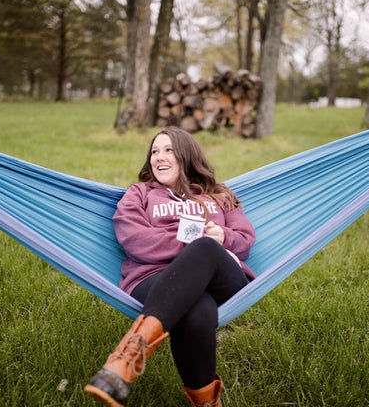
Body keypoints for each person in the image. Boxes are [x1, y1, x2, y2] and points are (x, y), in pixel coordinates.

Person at [85, 126, 256, 407]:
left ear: (187, 156)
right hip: (154, 280)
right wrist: (193, 243)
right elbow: (135, 240)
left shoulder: (219, 196)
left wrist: (223, 238)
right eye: (154, 151)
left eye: (168, 150)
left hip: (222, 280)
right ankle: (207, 402)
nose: (159, 158)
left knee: (205, 247)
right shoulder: (139, 194)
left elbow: (246, 240)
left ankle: (127, 359)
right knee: (197, 308)